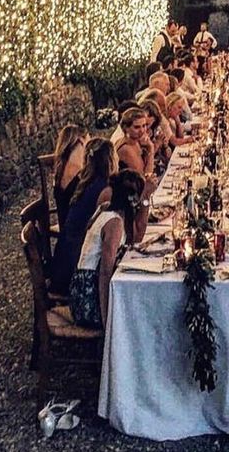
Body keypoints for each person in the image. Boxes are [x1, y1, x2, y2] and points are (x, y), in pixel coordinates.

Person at [70, 170, 154, 328]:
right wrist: (108, 321)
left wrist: (145, 198)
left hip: (80, 288)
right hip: (88, 297)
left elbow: (135, 238)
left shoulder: (106, 208)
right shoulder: (114, 223)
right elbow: (105, 272)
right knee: (141, 310)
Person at [50, 138, 116, 295]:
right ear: (111, 161)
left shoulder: (85, 182)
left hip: (63, 259)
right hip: (76, 271)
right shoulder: (105, 191)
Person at [52, 124, 88, 229]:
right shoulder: (76, 168)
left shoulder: (63, 164)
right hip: (74, 229)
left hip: (66, 222)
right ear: (81, 140)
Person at [115, 107, 155, 175]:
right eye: (137, 127)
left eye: (144, 125)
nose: (142, 131)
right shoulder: (126, 149)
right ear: (126, 128)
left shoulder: (135, 141)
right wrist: (151, 149)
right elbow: (146, 177)